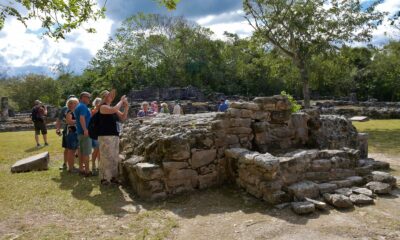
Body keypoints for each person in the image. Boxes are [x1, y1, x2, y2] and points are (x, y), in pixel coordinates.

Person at [98, 90, 129, 185]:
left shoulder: (113, 108)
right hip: (105, 135)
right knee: (106, 156)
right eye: (109, 95)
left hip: (114, 135)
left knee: (114, 157)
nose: (111, 96)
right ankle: (105, 178)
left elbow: (123, 118)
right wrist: (121, 100)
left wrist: (126, 107)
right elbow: (115, 109)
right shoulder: (102, 107)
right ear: (105, 97)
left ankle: (113, 177)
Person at [56, 95, 76, 170]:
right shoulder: (65, 108)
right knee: (67, 148)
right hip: (68, 129)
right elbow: (59, 119)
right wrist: (58, 128)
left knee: (74, 148)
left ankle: (71, 164)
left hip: (75, 130)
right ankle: (65, 163)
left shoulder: (77, 108)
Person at [74, 92, 92, 177]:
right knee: (86, 153)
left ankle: (81, 169)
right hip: (85, 132)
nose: (89, 99)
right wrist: (85, 129)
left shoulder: (79, 106)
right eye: (88, 97)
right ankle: (87, 171)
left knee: (81, 152)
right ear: (83, 97)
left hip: (80, 132)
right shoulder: (83, 106)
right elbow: (82, 118)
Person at [65, 97, 80, 173]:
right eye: (71, 103)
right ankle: (70, 168)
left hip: (75, 133)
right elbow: (69, 122)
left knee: (73, 151)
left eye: (75, 103)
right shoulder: (69, 112)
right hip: (72, 134)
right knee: (71, 151)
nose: (73, 104)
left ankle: (72, 166)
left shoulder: (75, 112)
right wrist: (80, 120)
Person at [91, 97, 102, 175]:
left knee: (99, 150)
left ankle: (99, 165)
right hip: (96, 133)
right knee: (96, 149)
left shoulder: (101, 110)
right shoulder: (94, 111)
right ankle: (93, 165)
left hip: (101, 132)